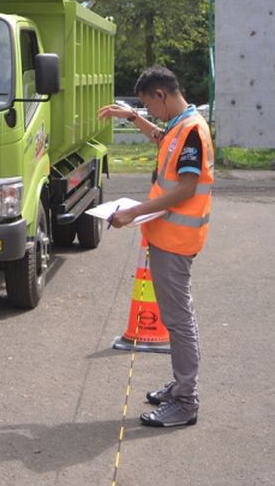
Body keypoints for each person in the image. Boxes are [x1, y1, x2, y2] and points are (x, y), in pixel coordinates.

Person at [96, 66, 214, 428]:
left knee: (179, 320)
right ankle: (181, 387)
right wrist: (132, 116)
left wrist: (133, 212)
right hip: (166, 237)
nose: (150, 113)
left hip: (177, 241)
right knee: (177, 316)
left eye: (148, 105)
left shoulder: (192, 129)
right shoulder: (180, 125)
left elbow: (187, 188)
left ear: (161, 94)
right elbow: (163, 139)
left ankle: (186, 400)